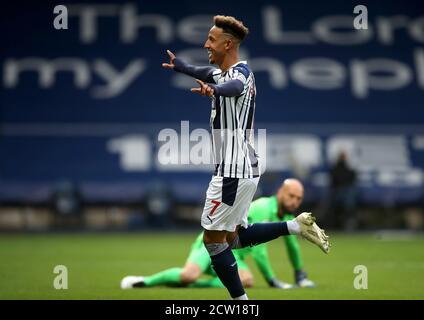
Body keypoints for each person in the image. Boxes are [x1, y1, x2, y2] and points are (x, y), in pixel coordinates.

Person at [162, 15, 330, 300]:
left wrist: (214, 91)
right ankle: (294, 226)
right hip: (243, 167)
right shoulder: (221, 74)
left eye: (211, 40)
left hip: (232, 170)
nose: (206, 44)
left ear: (228, 44)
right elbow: (204, 72)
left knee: (213, 242)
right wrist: (180, 67)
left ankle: (241, 303)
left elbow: (233, 88)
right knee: (234, 237)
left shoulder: (241, 73)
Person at [120, 179, 316, 290]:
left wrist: (300, 274)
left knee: (246, 281)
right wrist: (273, 280)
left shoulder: (288, 215)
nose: (295, 202)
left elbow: (292, 245)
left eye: (299, 199)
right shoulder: (264, 207)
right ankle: (144, 281)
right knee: (188, 274)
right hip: (213, 242)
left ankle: (194, 287)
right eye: (291, 196)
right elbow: (259, 252)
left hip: (234, 255)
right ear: (281, 192)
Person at [327, 151, 358, 230]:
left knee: (348, 199)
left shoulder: (347, 167)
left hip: (343, 191)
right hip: (337, 191)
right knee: (337, 201)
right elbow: (336, 179)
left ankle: (348, 223)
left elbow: (352, 178)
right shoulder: (337, 167)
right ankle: (332, 223)